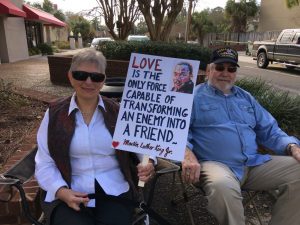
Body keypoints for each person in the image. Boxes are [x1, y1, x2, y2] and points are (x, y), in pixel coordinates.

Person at [35, 49, 155, 225]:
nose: (88, 82)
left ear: (103, 80)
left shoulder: (118, 112)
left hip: (114, 189)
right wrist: (61, 191)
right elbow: (44, 162)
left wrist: (149, 162)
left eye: (96, 77)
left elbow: (143, 148)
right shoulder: (54, 114)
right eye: (81, 75)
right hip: (68, 189)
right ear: (70, 76)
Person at [181, 47, 300, 225]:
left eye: (231, 69)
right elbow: (179, 133)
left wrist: (292, 147)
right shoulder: (192, 97)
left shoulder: (246, 98)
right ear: (208, 70)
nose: (225, 73)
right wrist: (187, 154)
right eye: (219, 68)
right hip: (215, 165)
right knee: (222, 186)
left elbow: (270, 130)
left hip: (253, 164)